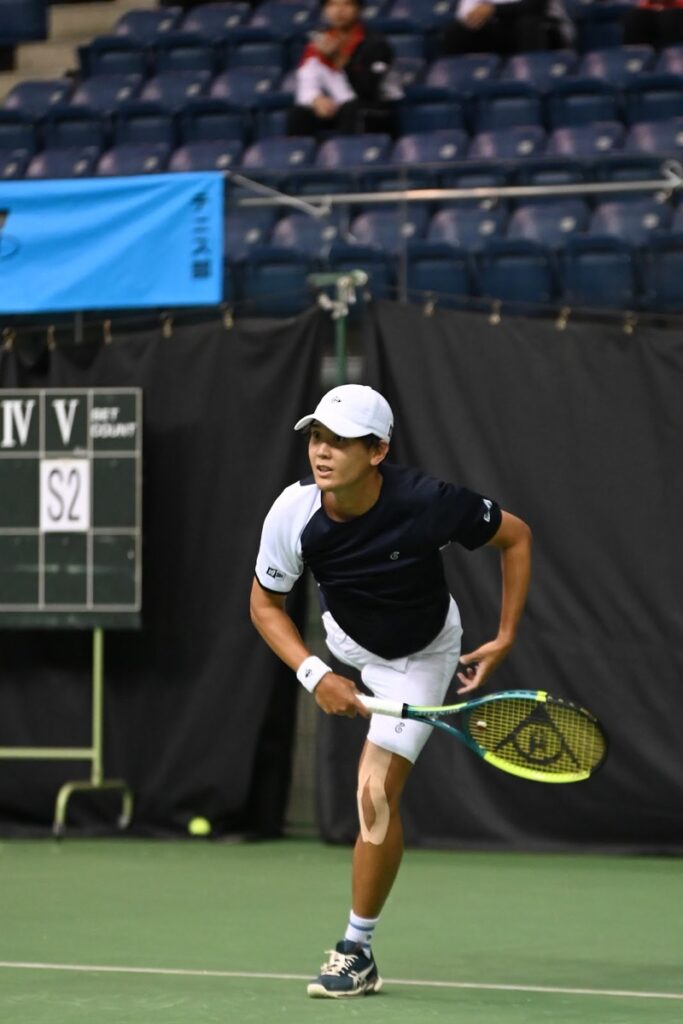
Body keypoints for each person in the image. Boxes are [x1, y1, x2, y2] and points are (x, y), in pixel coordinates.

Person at [250, 384, 532, 999]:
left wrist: (506, 634)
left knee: (374, 792)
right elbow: (265, 605)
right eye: (316, 437)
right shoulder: (293, 511)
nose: (322, 452)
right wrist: (316, 674)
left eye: (340, 441)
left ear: (377, 451)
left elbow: (517, 537)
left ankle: (357, 950)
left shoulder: (430, 503)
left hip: (421, 657)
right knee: (371, 785)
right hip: (347, 640)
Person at [286, 0, 401, 138]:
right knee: (299, 113)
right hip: (336, 105)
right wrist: (316, 99)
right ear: (324, 10)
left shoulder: (376, 44)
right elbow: (307, 82)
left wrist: (338, 57)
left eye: (347, 4)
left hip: (375, 107)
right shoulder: (321, 41)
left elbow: (368, 91)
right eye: (332, 5)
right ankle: (298, 151)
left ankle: (348, 150)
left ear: (359, 9)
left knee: (352, 109)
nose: (339, 10)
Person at [440, 0, 575, 56]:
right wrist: (476, 15)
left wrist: (493, 10)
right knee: (455, 31)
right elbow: (465, 13)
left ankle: (533, 76)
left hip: (547, 30)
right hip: (501, 30)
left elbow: (536, 6)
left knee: (528, 23)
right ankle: (455, 88)